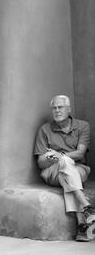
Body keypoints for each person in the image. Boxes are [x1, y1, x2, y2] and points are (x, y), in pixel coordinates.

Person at [34, 95, 95, 242]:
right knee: (65, 164)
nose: (56, 110)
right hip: (51, 171)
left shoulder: (82, 126)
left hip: (79, 169)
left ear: (69, 109)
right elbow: (41, 163)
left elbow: (80, 153)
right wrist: (53, 158)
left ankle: (81, 223)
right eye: (54, 108)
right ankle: (85, 205)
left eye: (60, 107)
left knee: (66, 172)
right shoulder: (45, 129)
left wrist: (59, 155)